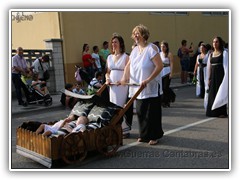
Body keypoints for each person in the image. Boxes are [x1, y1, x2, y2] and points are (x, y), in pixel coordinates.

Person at [121, 24, 164, 145]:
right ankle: (144, 135)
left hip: (150, 86)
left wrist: (148, 79)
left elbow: (159, 66)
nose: (135, 35)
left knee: (152, 113)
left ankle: (154, 136)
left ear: (144, 35)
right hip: (137, 87)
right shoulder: (135, 50)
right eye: (134, 33)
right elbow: (128, 66)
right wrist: (124, 78)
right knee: (141, 112)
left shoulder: (152, 48)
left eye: (137, 33)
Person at [105, 33, 130, 138]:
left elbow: (128, 71)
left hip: (121, 85)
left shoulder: (126, 57)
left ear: (121, 44)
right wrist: (107, 79)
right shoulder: (109, 57)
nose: (113, 43)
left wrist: (123, 80)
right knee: (113, 107)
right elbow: (107, 72)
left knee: (120, 106)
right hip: (112, 86)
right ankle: (115, 129)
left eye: (116, 42)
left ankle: (124, 129)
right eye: (112, 42)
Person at [205, 36, 228, 118]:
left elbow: (226, 67)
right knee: (212, 93)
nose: (215, 43)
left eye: (216, 42)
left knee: (220, 92)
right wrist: (208, 78)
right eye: (214, 42)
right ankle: (212, 111)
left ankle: (221, 112)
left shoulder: (224, 53)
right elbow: (209, 67)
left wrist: (226, 79)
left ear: (220, 43)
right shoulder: (211, 54)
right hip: (213, 77)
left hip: (220, 76)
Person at [160, 41, 175, 107]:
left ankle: (166, 101)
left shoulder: (169, 54)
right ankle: (164, 100)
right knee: (162, 88)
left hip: (167, 71)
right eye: (161, 46)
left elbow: (171, 63)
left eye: (164, 46)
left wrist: (171, 73)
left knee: (165, 87)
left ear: (166, 47)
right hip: (161, 72)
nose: (162, 48)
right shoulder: (159, 54)